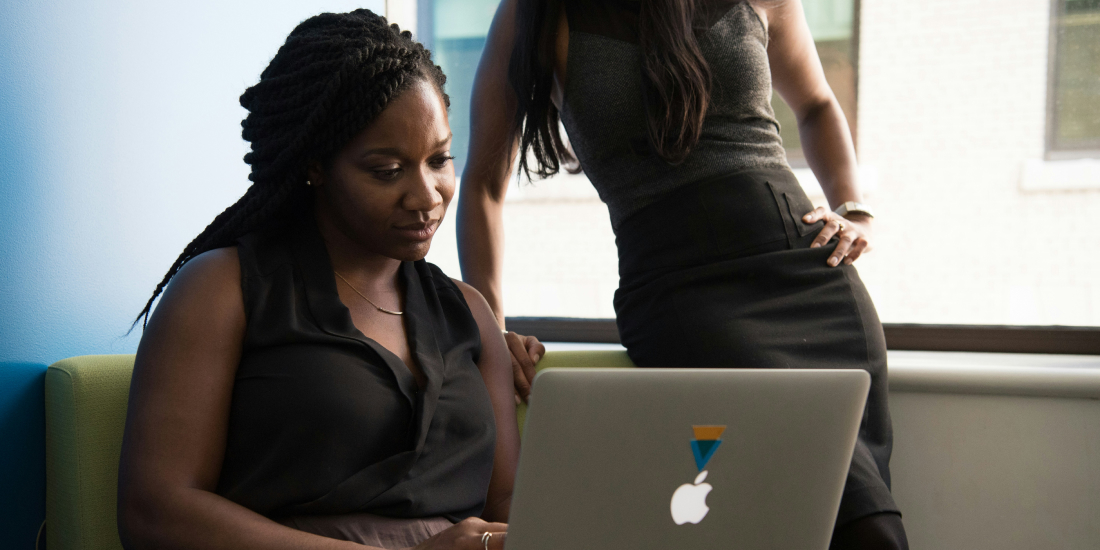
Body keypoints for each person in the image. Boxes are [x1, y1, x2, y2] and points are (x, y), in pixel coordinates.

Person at [456, 0, 907, 548]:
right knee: (788, 522)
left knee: (863, 522)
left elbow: (814, 104)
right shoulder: (536, 11)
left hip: (810, 277)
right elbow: (481, 182)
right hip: (682, 299)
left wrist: (854, 209)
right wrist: (492, 336)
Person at [117, 10, 517, 550]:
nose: (428, 196)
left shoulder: (468, 314)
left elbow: (513, 509)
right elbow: (155, 513)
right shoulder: (220, 291)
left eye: (440, 159)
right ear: (315, 166)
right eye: (387, 170)